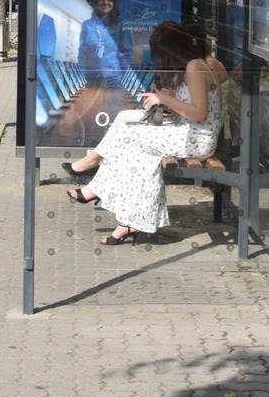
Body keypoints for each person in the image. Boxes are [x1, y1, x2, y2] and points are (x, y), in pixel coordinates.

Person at [65, 20, 230, 245]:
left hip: (194, 138)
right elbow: (203, 107)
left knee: (131, 138)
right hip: (198, 135)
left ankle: (99, 190)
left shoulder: (194, 67)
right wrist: (170, 96)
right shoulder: (210, 62)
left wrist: (165, 99)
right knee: (132, 134)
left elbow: (199, 113)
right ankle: (128, 220)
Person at [77, 0, 133, 88]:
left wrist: (127, 79)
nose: (105, 2)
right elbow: (82, 52)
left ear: (114, 3)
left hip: (114, 78)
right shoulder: (87, 25)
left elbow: (126, 54)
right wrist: (81, 75)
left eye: (109, 0)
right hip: (91, 78)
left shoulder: (121, 25)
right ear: (96, 2)